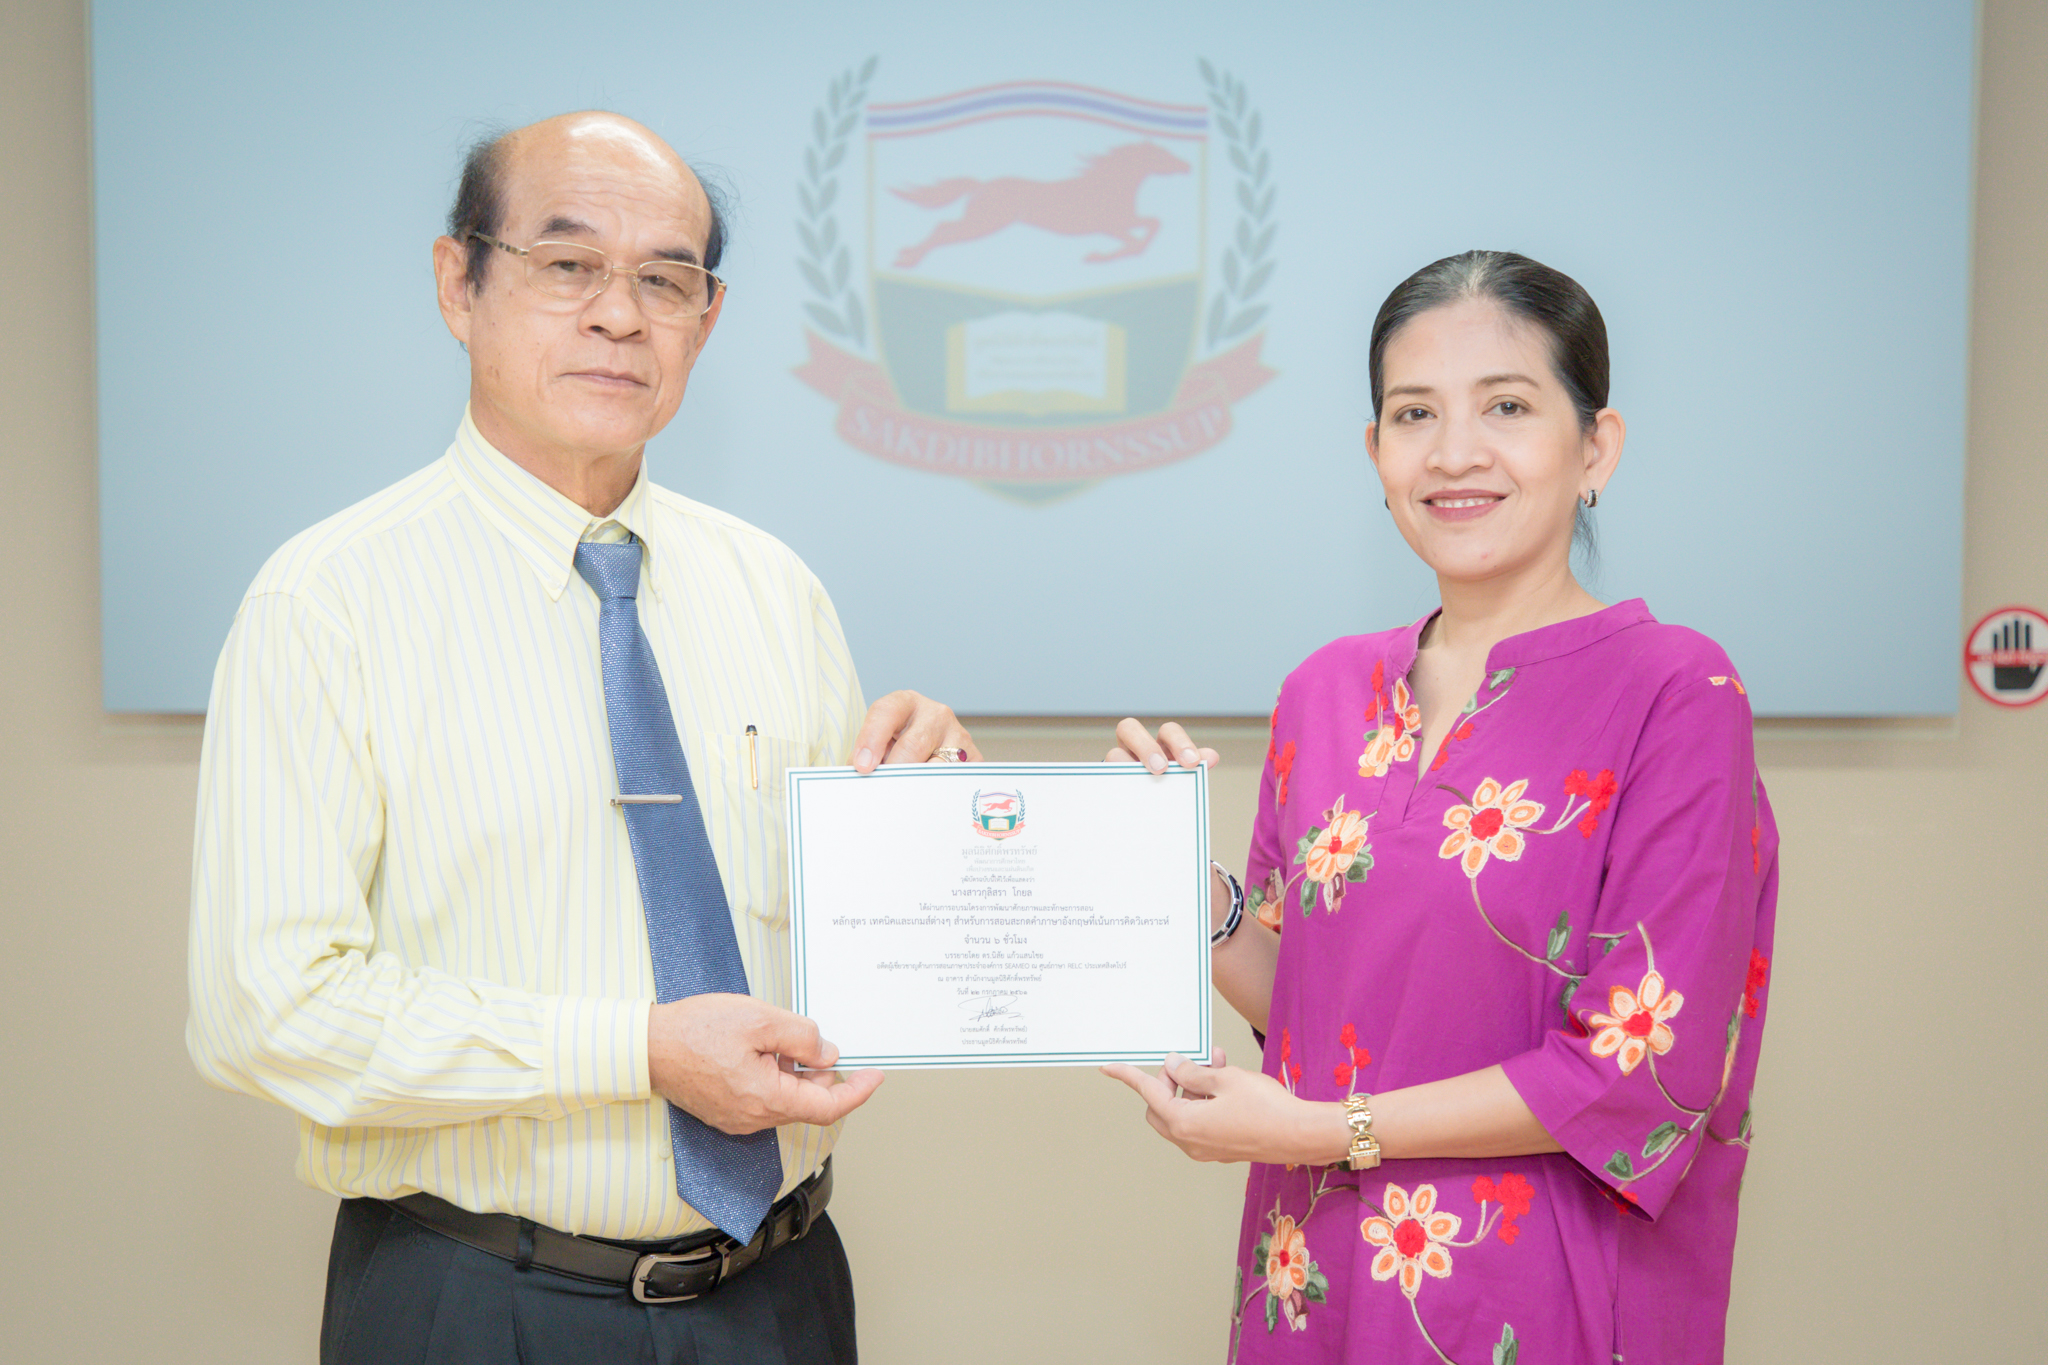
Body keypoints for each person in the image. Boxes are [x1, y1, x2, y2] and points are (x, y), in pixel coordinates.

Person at [186, 111, 977, 1365]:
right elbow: (267, 1007)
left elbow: (844, 938)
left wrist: (942, 817)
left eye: (665, 280)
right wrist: (637, 1051)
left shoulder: (775, 589)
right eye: (567, 265)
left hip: (780, 1293)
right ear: (457, 282)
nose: (620, 316)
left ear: (706, 319)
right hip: (476, 1299)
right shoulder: (327, 602)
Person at [1104, 251, 1777, 1364]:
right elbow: (1309, 1003)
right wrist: (1183, 896)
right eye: (1414, 414)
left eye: (1505, 406)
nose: (1454, 452)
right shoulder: (1323, 689)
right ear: (1375, 452)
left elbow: (1637, 1070)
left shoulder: (1676, 691)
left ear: (1595, 447)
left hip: (1540, 1294)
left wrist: (1324, 1129)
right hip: (1312, 1280)